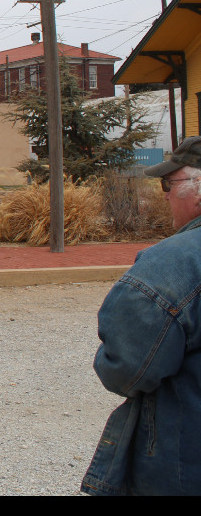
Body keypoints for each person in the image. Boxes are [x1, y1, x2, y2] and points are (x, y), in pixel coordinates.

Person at [82, 135, 201, 495]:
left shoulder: (173, 263)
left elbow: (126, 368)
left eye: (169, 182)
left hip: (183, 459)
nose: (164, 194)